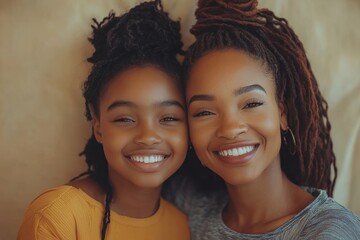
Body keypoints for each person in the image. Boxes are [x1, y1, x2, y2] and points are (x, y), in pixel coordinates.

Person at [164, 0, 360, 239]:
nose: (230, 128)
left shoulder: (326, 230)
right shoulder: (187, 205)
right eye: (204, 112)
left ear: (282, 114)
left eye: (251, 104)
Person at [17, 1, 190, 239]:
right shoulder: (58, 216)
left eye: (169, 117)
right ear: (98, 127)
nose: (148, 136)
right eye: (125, 119)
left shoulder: (182, 227)